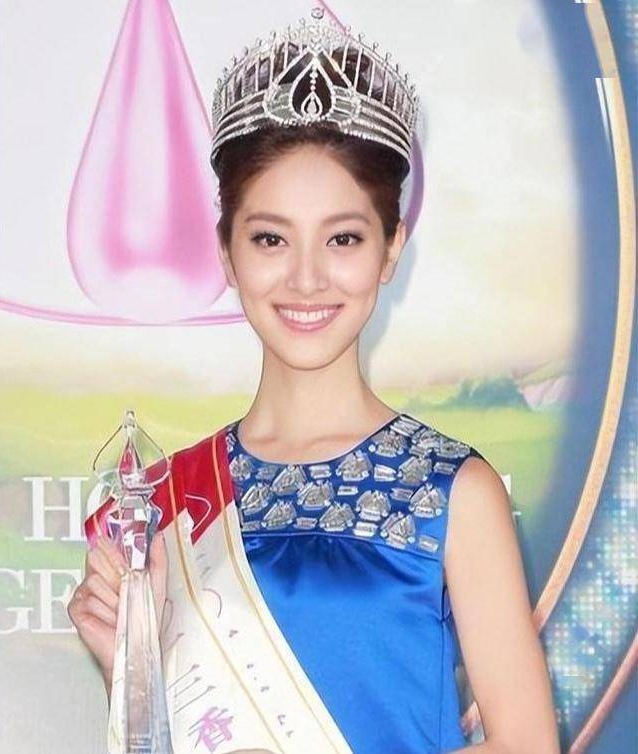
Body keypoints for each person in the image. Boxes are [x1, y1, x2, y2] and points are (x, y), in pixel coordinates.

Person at [68, 8, 560, 754]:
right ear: (227, 253)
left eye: (343, 238)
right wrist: (130, 677)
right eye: (271, 238)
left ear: (390, 249)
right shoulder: (166, 503)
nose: (306, 278)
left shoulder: (453, 491)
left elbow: (527, 745)